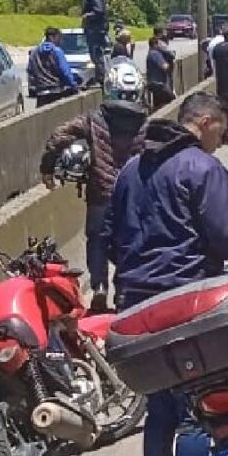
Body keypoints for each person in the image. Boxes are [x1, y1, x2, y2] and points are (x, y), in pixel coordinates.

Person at [102, 91, 228, 456]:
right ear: (204, 123)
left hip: (136, 309)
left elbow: (109, 239)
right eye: (220, 132)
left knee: (159, 412)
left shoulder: (130, 170)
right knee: (195, 414)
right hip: (187, 309)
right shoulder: (202, 167)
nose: (220, 141)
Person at [40, 59, 149, 311]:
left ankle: (99, 287)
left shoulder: (93, 119)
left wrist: (48, 169)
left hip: (101, 194)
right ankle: (124, 292)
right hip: (133, 197)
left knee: (97, 241)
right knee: (131, 243)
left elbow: (59, 136)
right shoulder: (146, 123)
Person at [27, 27, 80, 108]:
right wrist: (74, 86)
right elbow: (64, 71)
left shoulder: (34, 52)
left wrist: (34, 86)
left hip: (41, 92)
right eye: (59, 38)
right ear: (52, 37)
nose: (61, 41)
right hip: (56, 91)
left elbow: (30, 71)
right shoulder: (57, 51)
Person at [79, 0, 108, 87]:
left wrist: (87, 16)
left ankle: (100, 78)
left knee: (96, 54)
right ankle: (98, 77)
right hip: (94, 30)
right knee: (95, 54)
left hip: (96, 30)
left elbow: (99, 10)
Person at [146, 36, 176, 113]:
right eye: (159, 44)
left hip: (154, 83)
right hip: (158, 84)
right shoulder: (155, 54)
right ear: (155, 44)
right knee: (172, 100)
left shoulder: (150, 53)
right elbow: (165, 66)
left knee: (158, 103)